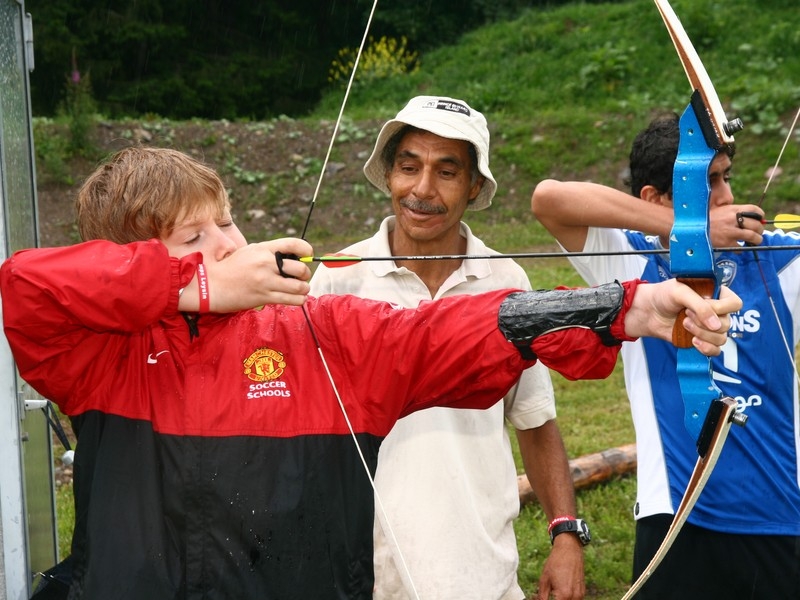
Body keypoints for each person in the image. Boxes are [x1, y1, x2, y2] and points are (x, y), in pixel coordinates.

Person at [0, 146, 738, 600]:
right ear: (132, 258)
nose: (226, 243)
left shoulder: (319, 333)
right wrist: (190, 287)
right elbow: (25, 286)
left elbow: (451, 332)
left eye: (226, 221)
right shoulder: (100, 354)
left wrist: (628, 307)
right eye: (193, 237)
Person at [311, 95, 582, 600]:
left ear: (475, 185)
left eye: (447, 171)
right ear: (389, 175)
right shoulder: (339, 277)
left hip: (479, 573)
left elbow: (534, 418)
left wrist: (565, 532)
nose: (422, 190)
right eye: (408, 167)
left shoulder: (506, 280)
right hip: (365, 572)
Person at [531, 112, 800, 599]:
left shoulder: (777, 258)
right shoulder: (631, 260)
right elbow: (549, 199)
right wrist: (687, 229)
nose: (723, 197)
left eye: (725, 179)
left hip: (779, 511)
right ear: (655, 200)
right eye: (704, 183)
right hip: (674, 514)